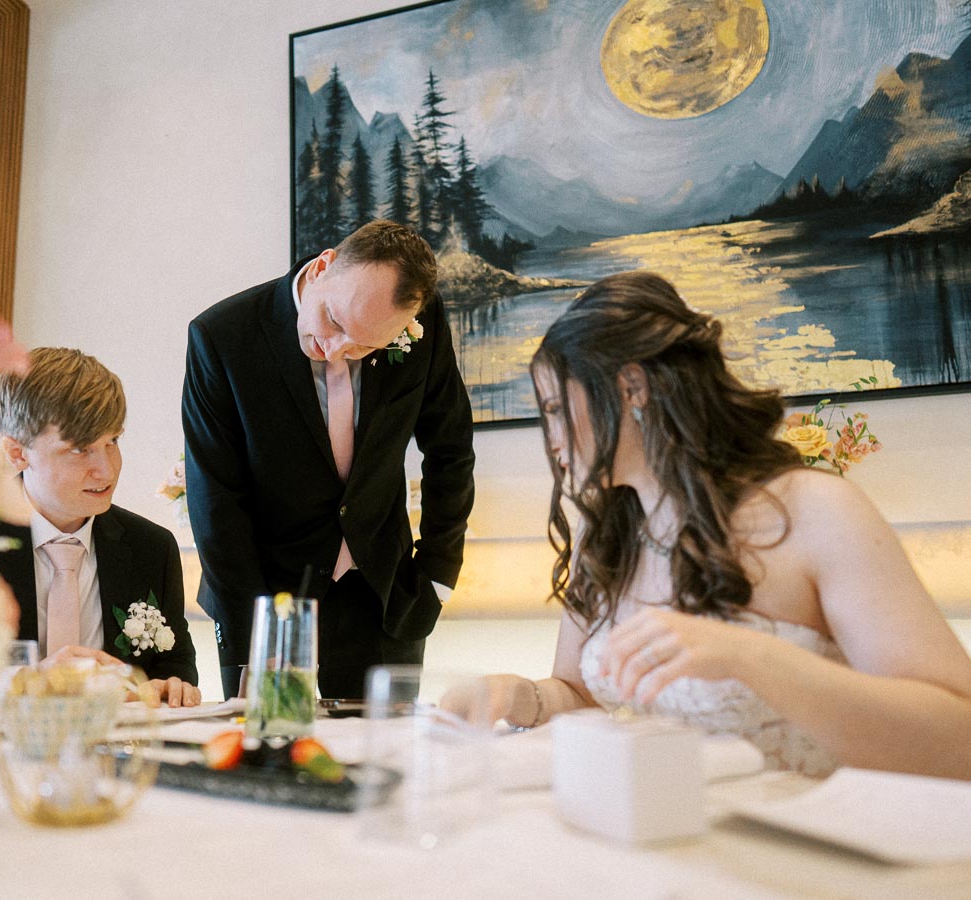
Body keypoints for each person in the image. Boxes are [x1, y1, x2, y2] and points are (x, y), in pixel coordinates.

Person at [448, 270, 971, 779]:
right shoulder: (604, 533)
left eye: (559, 409)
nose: (553, 439)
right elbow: (586, 697)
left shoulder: (814, 511)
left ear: (633, 388)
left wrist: (750, 655)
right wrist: (521, 696)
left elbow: (958, 737)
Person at [183, 220, 475, 700]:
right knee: (273, 760)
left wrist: (438, 575)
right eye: (335, 322)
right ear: (322, 269)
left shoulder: (426, 322)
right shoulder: (222, 336)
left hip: (385, 595)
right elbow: (214, 496)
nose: (337, 350)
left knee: (383, 762)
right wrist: (258, 632)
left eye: (365, 345)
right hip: (266, 594)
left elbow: (451, 447)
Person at [0, 347, 201, 707]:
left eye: (113, 441)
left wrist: (170, 688)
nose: (107, 469)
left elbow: (174, 664)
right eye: (81, 449)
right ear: (17, 453)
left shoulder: (151, 547)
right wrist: (23, 681)